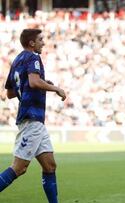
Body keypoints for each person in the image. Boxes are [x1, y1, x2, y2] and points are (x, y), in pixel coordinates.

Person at [0, 29, 66, 203]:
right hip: (31, 117)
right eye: (40, 40)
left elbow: (10, 93)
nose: (43, 42)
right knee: (19, 168)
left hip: (35, 120)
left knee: (50, 166)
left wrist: (44, 84)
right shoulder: (33, 58)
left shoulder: (17, 60)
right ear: (31, 43)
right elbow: (34, 82)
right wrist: (56, 88)